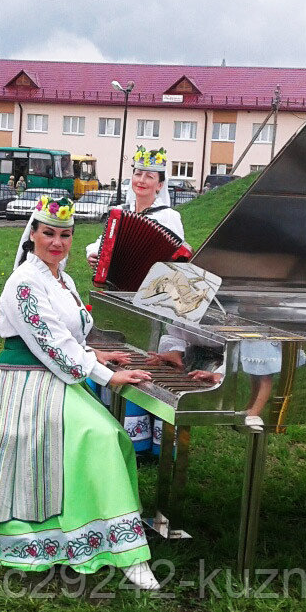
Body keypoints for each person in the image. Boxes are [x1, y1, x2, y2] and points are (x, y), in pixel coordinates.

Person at [0, 193, 161, 589]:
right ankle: (123, 549)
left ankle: (109, 536)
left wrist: (100, 354)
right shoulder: (25, 282)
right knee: (104, 435)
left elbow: (71, 337)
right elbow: (51, 344)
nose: (57, 242)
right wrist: (107, 376)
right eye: (49, 234)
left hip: (59, 376)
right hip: (26, 384)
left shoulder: (64, 279)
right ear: (32, 236)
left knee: (110, 437)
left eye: (65, 235)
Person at [86, 146, 187, 453]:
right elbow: (101, 245)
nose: (142, 180)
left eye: (149, 176)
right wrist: (96, 257)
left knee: (145, 359)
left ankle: (143, 443)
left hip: (150, 302)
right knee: (114, 351)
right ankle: (108, 424)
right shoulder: (121, 212)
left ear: (160, 184)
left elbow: (178, 261)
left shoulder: (170, 216)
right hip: (117, 294)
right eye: (138, 174)